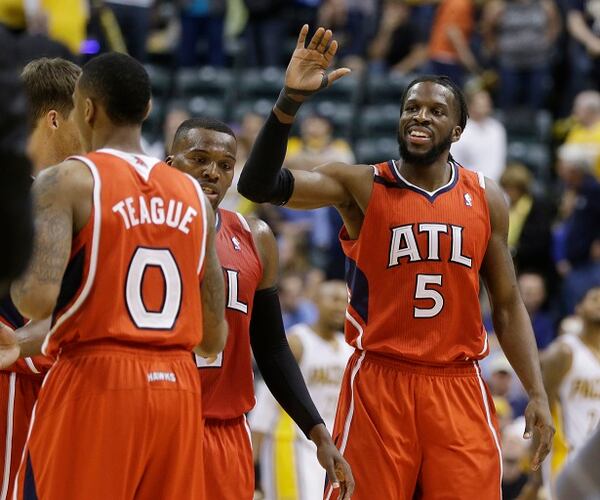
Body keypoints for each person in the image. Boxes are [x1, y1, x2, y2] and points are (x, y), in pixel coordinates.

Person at [238, 25, 554, 499]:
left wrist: (537, 392)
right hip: (380, 382)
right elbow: (258, 186)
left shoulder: (487, 197)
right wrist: (288, 103)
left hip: (458, 383)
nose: (420, 116)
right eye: (411, 108)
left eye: (435, 110)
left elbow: (507, 306)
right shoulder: (361, 185)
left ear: (458, 129)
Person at [2, 52, 228, 500]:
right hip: (178, 387)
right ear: (146, 111)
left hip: (98, 379)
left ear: (85, 109)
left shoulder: (67, 180)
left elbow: (34, 301)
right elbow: (213, 338)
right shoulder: (194, 197)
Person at [166, 117, 354, 500]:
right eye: (199, 158)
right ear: (171, 165)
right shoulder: (144, 229)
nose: (212, 172)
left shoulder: (255, 236)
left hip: (226, 431)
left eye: (224, 165)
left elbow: (271, 347)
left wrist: (317, 431)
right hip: (160, 422)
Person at [0, 56, 81, 500]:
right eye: (86, 115)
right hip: (15, 382)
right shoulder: (20, 195)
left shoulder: (77, 194)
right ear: (55, 118)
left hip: (60, 385)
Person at [250, 280, 354, 500]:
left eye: (344, 301)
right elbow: (267, 398)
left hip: (328, 447)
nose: (339, 307)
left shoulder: (347, 347)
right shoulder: (297, 341)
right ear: (315, 301)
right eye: (333, 300)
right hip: (289, 443)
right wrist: (254, 460)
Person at [538, 287, 600, 498]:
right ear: (578, 308)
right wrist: (534, 472)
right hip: (567, 457)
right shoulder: (564, 351)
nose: (599, 302)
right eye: (594, 298)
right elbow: (540, 408)